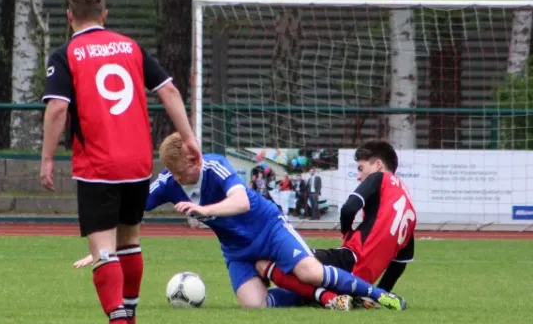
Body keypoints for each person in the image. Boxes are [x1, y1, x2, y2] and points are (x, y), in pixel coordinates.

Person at [74, 133, 407, 312]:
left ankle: (381, 297)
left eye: (181, 171)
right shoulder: (168, 182)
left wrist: (205, 211)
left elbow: (242, 201)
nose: (177, 179)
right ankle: (322, 297)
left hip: (269, 228)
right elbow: (129, 211)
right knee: (255, 306)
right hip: (237, 249)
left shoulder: (215, 165)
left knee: (309, 272)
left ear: (195, 159)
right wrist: (102, 248)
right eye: (172, 174)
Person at [39, 0, 201, 324]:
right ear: (105, 14)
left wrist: (47, 157)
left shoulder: (67, 53)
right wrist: (188, 137)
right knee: (129, 239)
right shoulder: (130, 46)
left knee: (103, 248)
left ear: (69, 17)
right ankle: (129, 321)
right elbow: (169, 90)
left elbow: (58, 107)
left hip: (98, 163)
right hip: (138, 162)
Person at [311, 140, 416, 307]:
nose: (359, 176)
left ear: (378, 165)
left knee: (292, 259)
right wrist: (381, 292)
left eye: (361, 168)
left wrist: (347, 233)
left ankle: (327, 297)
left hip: (349, 259)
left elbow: (348, 208)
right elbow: (401, 262)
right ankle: (339, 298)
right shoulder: (409, 208)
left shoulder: (379, 177)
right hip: (360, 283)